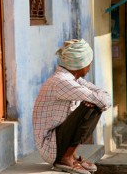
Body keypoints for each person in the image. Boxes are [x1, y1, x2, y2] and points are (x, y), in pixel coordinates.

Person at [33, 39, 111, 174]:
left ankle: (71, 156)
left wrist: (98, 100)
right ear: (81, 64)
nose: (90, 65)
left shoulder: (73, 80)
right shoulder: (62, 82)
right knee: (91, 107)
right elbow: (102, 100)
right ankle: (66, 158)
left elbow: (104, 97)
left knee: (93, 104)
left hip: (56, 141)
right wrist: (96, 101)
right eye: (89, 63)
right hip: (50, 146)